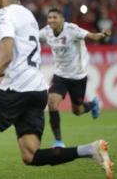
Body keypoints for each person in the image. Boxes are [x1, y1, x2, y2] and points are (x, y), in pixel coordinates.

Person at [0, 0, 113, 179]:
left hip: (16, 89)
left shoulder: (4, 15)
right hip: (37, 91)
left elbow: (6, 57)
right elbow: (20, 59)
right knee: (30, 155)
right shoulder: (28, 16)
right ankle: (91, 150)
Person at [39, 8, 111, 148]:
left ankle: (93, 104)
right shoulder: (46, 31)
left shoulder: (72, 30)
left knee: (77, 111)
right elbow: (31, 37)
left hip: (78, 76)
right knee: (52, 103)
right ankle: (59, 141)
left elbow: (94, 37)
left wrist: (103, 34)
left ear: (62, 19)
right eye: (49, 18)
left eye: (55, 17)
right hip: (60, 75)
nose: (51, 20)